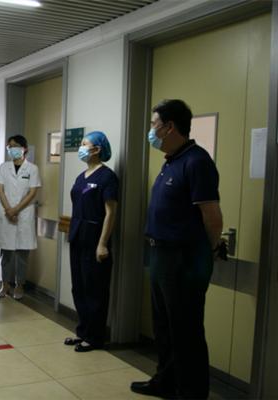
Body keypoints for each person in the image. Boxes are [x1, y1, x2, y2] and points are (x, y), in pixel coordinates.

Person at [130, 99, 223, 399]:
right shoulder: (172, 161)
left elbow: (212, 217)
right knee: (164, 326)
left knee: (186, 329)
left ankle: (191, 392)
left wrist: (203, 253)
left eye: (154, 124)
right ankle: (166, 381)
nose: (151, 131)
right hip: (161, 254)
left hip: (184, 258)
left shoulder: (197, 162)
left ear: (169, 127)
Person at [64, 131, 118, 352]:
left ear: (97, 149)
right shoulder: (81, 177)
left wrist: (103, 243)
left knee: (94, 289)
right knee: (79, 287)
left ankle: (95, 337)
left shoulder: (107, 177)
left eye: (85, 144)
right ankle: (83, 332)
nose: (81, 148)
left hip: (95, 237)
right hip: (78, 235)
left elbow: (111, 212)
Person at [0, 135, 41, 300]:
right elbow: (0, 190)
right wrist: (9, 210)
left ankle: (19, 285)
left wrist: (16, 210)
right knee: (6, 253)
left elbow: (32, 193)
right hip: (7, 213)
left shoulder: (32, 169)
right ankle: (5, 284)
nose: (11, 149)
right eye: (9, 146)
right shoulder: (3, 167)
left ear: (24, 148)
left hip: (23, 214)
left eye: (14, 146)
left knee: (22, 253)